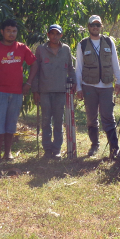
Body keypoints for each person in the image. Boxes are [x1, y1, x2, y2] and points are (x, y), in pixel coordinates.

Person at [0, 19, 37, 161]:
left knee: (11, 123)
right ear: (2, 32)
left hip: (16, 93)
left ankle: (7, 153)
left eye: (14, 31)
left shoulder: (22, 48)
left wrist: (28, 83)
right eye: (8, 31)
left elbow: (34, 64)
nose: (11, 34)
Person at [75, 15, 120, 160]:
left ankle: (114, 149)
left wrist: (119, 81)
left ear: (101, 26)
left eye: (97, 25)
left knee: (108, 116)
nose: (95, 27)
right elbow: (78, 67)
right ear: (88, 27)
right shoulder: (82, 44)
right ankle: (94, 145)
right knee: (91, 117)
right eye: (92, 25)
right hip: (88, 86)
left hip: (106, 86)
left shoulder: (109, 42)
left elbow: (115, 62)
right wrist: (78, 88)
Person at [32, 24, 75, 159]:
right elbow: (36, 70)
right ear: (48, 35)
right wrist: (35, 90)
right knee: (46, 121)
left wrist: (74, 82)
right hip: (44, 91)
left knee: (58, 121)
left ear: (61, 35)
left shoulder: (66, 49)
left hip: (60, 91)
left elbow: (71, 68)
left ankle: (56, 149)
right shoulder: (41, 49)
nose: (55, 36)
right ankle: (47, 149)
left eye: (57, 34)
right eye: (52, 33)